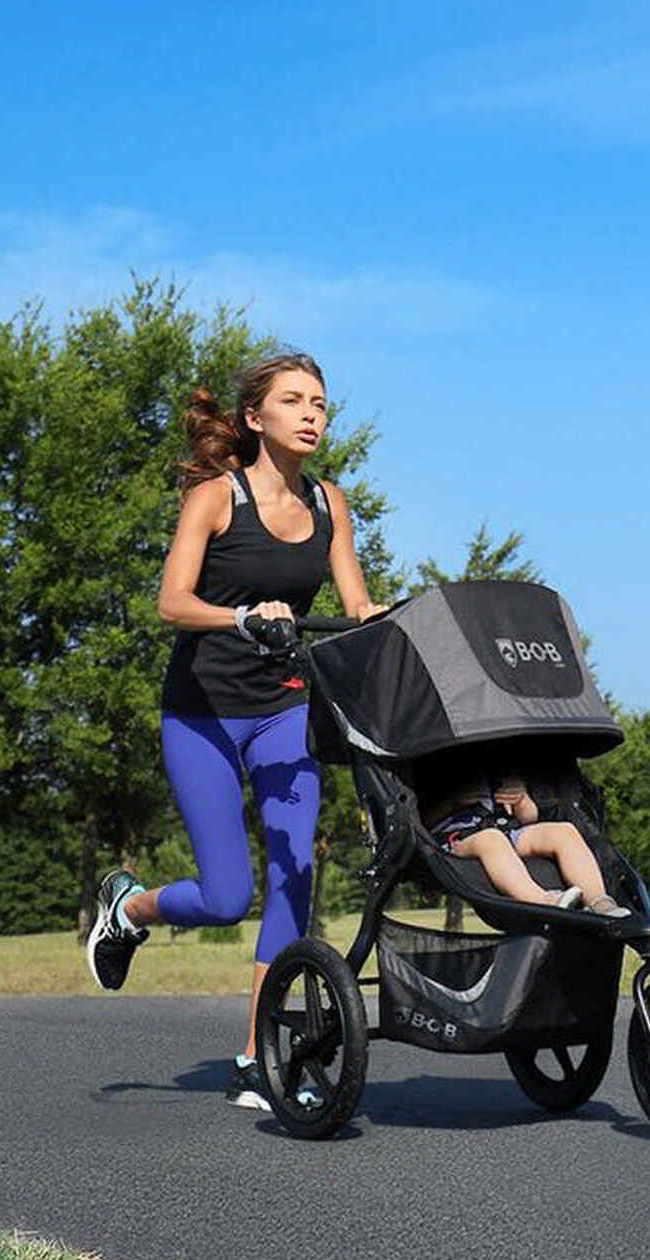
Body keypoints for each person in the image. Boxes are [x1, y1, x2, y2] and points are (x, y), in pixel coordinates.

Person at [86, 352, 384, 1111]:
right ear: (257, 418)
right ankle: (129, 909)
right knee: (226, 896)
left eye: (321, 401)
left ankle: (257, 1057)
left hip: (284, 710)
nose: (313, 414)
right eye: (295, 400)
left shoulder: (331, 505)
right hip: (202, 714)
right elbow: (171, 604)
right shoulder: (216, 499)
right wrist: (243, 616)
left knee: (293, 879)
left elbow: (355, 604)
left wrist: (387, 620)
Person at [423, 769, 630, 917]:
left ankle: (599, 900)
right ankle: (543, 900)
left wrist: (521, 799)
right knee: (492, 840)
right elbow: (422, 821)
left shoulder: (500, 773)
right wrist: (453, 802)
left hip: (506, 831)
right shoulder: (440, 774)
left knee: (564, 831)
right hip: (455, 841)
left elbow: (529, 818)